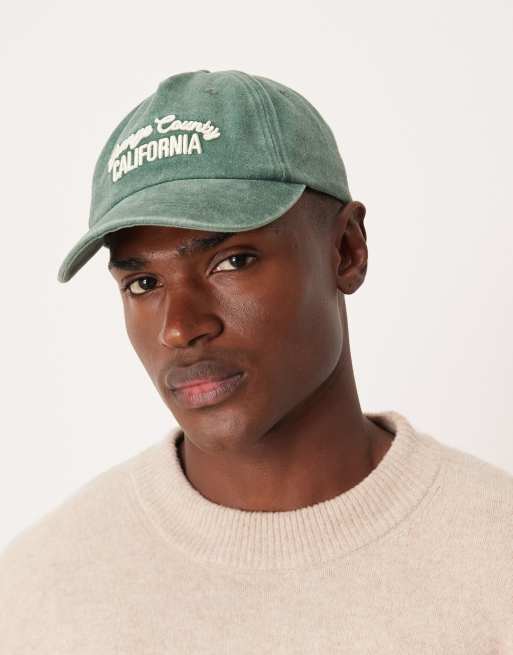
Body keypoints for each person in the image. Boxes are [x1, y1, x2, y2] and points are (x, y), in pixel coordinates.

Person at [1, 69, 511, 653]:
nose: (180, 327)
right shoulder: (37, 599)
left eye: (233, 261)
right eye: (143, 283)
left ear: (347, 250)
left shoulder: (495, 559)